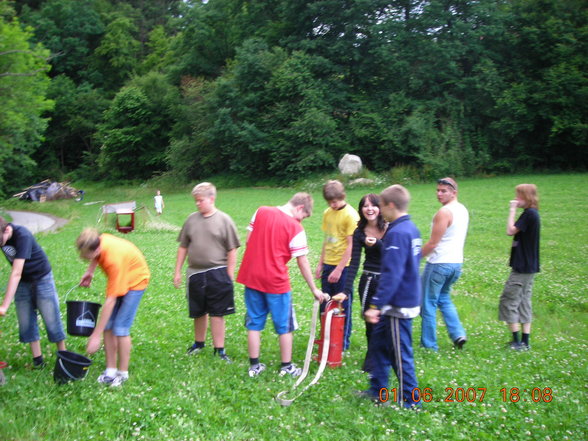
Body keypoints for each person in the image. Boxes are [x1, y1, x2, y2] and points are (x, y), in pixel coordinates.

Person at [237, 193, 326, 377]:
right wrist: (314, 288)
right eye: (304, 217)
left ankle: (254, 366)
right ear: (300, 208)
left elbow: (248, 240)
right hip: (276, 282)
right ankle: (287, 367)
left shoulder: (261, 211)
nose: (302, 221)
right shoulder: (295, 228)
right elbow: (302, 261)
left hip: (252, 276)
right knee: (285, 326)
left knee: (254, 322)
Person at [361, 185, 422, 408]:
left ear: (391, 205)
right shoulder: (411, 229)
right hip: (394, 303)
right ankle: (377, 391)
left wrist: (375, 305)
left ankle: (412, 401)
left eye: (381, 206)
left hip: (398, 304)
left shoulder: (397, 233)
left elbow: (393, 274)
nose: (379, 210)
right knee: (378, 346)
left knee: (399, 353)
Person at [173, 182, 240, 362]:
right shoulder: (191, 220)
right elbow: (183, 246)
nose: (197, 204)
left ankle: (220, 349)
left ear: (212, 199)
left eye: (200, 200)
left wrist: (229, 273)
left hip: (217, 272)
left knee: (217, 312)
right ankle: (199, 343)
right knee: (198, 311)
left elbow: (232, 249)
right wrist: (177, 271)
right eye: (196, 201)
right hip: (195, 273)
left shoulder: (225, 220)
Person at [76, 228, 150, 387]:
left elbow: (110, 301)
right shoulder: (99, 239)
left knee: (120, 328)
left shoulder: (113, 261)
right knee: (108, 326)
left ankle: (123, 373)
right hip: (123, 274)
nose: (83, 258)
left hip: (136, 280)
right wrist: (90, 271)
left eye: (85, 255)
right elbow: (95, 256)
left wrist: (96, 335)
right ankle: (110, 369)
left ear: (95, 250)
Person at [0, 217, 66, 368]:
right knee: (26, 321)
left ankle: (63, 357)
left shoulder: (22, 235)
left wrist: (4, 306)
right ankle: (38, 361)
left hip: (41, 278)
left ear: (7, 230)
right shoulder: (1, 235)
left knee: (51, 318)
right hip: (23, 282)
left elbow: (16, 272)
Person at [340, 194, 387, 372]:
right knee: (370, 321)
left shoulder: (391, 228)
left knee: (386, 321)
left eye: (373, 205)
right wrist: (345, 290)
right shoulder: (359, 232)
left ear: (380, 208)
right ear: (361, 210)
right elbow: (354, 262)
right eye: (365, 206)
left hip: (388, 281)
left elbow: (392, 256)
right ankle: (372, 357)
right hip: (368, 281)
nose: (369, 209)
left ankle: (386, 355)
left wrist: (378, 244)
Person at [420, 177, 469, 351]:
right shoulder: (462, 209)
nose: (439, 194)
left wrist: (415, 258)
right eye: (438, 190)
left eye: (444, 191)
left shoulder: (444, 212)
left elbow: (433, 243)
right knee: (444, 298)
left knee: (428, 303)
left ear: (454, 192)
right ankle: (458, 334)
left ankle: (429, 345)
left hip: (439, 264)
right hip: (456, 264)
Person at [315, 180, 359, 351]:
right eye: (329, 202)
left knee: (342, 305)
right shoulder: (328, 213)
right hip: (328, 264)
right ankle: (327, 337)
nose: (332, 205)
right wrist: (320, 264)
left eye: (335, 201)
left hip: (344, 268)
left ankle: (342, 343)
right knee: (325, 303)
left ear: (343, 196)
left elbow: (351, 245)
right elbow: (327, 240)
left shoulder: (351, 215)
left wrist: (339, 269)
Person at [499, 184, 540, 351]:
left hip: (522, 267)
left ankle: (516, 342)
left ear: (527, 197)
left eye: (518, 196)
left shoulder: (529, 214)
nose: (516, 199)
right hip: (529, 266)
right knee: (524, 301)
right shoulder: (532, 214)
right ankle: (525, 342)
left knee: (509, 300)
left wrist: (511, 210)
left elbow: (510, 230)